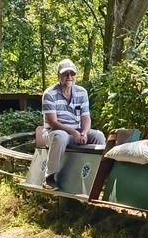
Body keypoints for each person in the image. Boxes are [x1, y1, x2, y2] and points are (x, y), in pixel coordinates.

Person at [41, 59, 106, 189]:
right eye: (66, 74)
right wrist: (73, 132)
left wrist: (84, 133)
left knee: (99, 136)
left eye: (72, 74)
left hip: (76, 131)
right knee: (61, 136)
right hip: (53, 133)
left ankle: (99, 177)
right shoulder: (49, 94)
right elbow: (53, 123)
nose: (69, 77)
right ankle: (49, 178)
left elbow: (86, 118)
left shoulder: (82, 92)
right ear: (59, 76)